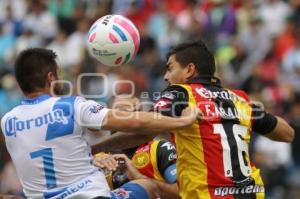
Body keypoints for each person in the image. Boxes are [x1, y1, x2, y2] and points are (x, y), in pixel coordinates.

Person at [0, 48, 199, 199]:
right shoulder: (70, 105)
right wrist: (180, 121)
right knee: (148, 186)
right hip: (92, 195)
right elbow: (135, 122)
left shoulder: (8, 121)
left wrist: (91, 152)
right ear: (50, 77)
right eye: (58, 75)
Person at [151, 40, 295, 199]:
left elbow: (147, 122)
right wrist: (255, 113)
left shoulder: (180, 93)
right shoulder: (240, 99)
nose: (165, 77)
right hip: (252, 194)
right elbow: (288, 134)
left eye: (170, 68)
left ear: (189, 70)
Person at [93, 95, 179, 199]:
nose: (132, 116)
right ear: (107, 117)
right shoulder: (95, 159)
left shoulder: (160, 149)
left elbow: (183, 193)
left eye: (137, 111)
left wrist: (139, 178)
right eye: (123, 111)